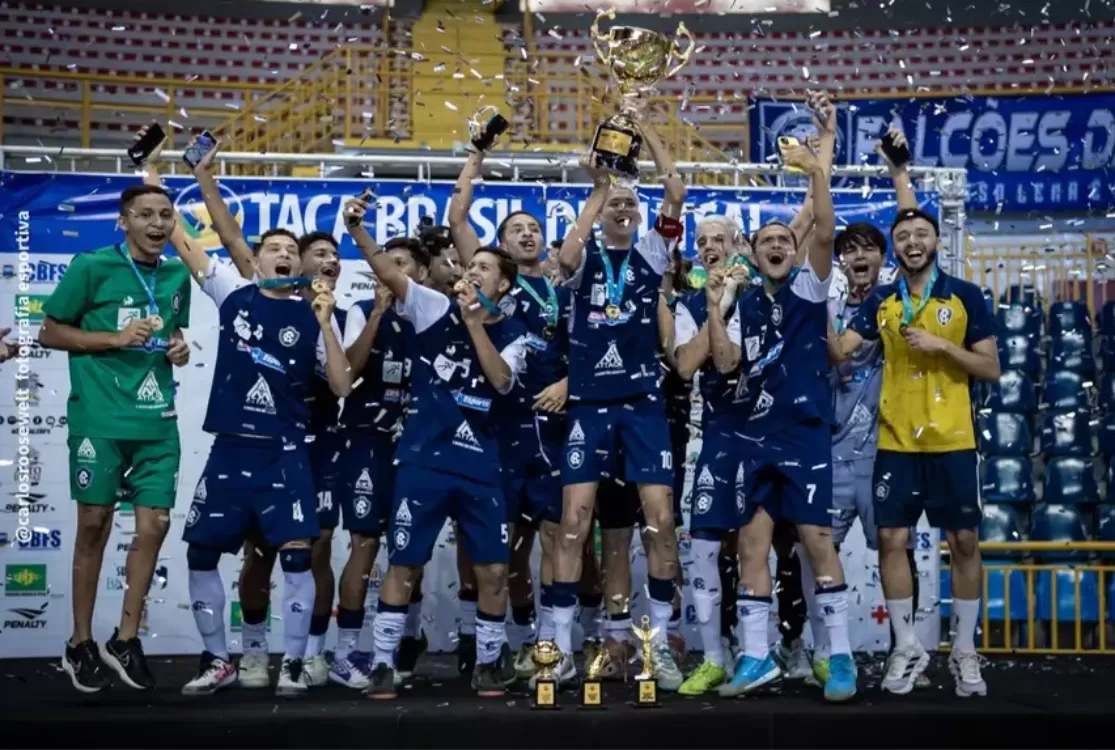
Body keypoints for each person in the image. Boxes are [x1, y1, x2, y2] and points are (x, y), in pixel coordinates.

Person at [168, 138, 347, 689]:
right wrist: (187, 178)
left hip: (287, 453)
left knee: (297, 557)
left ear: (298, 264)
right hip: (230, 446)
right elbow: (190, 240)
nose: (283, 252)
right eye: (273, 246)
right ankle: (219, 660)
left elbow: (340, 385)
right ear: (258, 257)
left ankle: (292, 662)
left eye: (291, 249)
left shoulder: (315, 314)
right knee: (201, 552)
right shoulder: (233, 293)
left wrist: (323, 321)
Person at [345, 194, 530, 699]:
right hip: (424, 460)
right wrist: (357, 231)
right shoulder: (431, 308)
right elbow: (389, 273)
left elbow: (502, 382)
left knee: (493, 568)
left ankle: (488, 662)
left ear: (503, 285)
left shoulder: (516, 332)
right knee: (405, 562)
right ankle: (383, 662)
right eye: (469, 265)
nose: (472, 272)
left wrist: (474, 325)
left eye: (485, 268)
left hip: (481, 466)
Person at [709, 135, 859, 703]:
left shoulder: (811, 288)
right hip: (754, 434)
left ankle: (838, 656)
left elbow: (823, 227)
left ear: (793, 252)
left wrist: (815, 170)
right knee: (751, 542)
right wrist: (714, 308)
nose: (777, 245)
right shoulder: (742, 301)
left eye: (783, 240)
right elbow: (724, 363)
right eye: (767, 240)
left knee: (818, 539)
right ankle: (755, 657)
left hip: (802, 431)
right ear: (754, 252)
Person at [830, 205, 999, 698]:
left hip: (952, 442)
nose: (911, 242)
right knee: (891, 541)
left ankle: (964, 650)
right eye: (902, 236)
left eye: (920, 233)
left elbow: (989, 368)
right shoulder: (881, 299)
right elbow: (842, 349)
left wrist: (943, 347)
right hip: (896, 442)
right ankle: (905, 645)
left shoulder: (965, 295)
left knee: (965, 542)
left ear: (935, 242)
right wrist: (811, 309)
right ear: (896, 248)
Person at [552, 108, 687, 690]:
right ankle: (556, 648)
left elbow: (675, 187)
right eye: (616, 206)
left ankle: (657, 648)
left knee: (659, 523)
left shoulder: (654, 256)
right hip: (588, 403)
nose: (625, 210)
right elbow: (563, 257)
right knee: (574, 524)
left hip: (642, 404)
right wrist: (599, 188)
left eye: (631, 204)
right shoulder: (583, 263)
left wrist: (648, 125)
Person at [41, 183, 192, 693]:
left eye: (165, 215)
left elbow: (175, 334)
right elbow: (50, 332)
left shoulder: (175, 274)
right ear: (123, 221)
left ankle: (125, 638)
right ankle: (79, 643)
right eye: (145, 215)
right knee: (94, 525)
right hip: (99, 420)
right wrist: (114, 338)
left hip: (157, 421)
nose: (157, 224)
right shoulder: (90, 266)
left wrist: (178, 349)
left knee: (155, 525)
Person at [448, 137, 575, 682]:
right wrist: (476, 156)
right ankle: (508, 641)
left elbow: (588, 355)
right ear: (499, 252)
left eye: (534, 228)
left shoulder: (561, 289)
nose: (527, 233)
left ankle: (550, 646)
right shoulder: (495, 288)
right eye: (515, 229)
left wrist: (569, 382)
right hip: (498, 430)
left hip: (551, 430)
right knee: (504, 547)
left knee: (554, 537)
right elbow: (458, 222)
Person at [817, 127, 923, 689]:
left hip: (887, 454)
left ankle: (907, 651)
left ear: (883, 259)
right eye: (848, 249)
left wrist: (899, 174)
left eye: (868, 249)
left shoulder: (896, 301)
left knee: (895, 550)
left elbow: (916, 239)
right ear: (839, 261)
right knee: (818, 556)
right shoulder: (824, 305)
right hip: (831, 458)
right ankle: (821, 653)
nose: (858, 256)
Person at [328, 237, 428, 689]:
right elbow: (346, 376)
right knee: (365, 543)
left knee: (412, 548)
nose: (388, 272)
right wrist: (376, 314)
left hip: (419, 446)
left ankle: (402, 644)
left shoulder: (435, 315)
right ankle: (346, 652)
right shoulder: (356, 310)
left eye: (401, 265)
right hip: (367, 439)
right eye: (384, 265)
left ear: (420, 275)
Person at [671, 215, 752, 696]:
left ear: (737, 243)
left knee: (763, 547)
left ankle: (775, 646)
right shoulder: (689, 302)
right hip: (714, 435)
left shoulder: (764, 292)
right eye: (700, 242)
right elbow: (685, 364)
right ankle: (713, 657)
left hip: (764, 432)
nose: (708, 248)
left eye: (718, 239)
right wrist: (715, 306)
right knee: (703, 547)